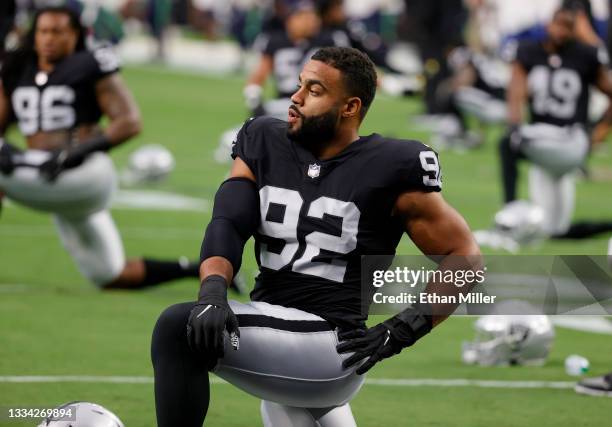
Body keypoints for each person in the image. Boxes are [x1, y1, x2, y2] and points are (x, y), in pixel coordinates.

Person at [152, 46, 482, 426]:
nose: (296, 97)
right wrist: (212, 289)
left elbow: (465, 258)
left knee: (176, 328)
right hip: (277, 333)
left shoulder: (392, 165)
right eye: (299, 84)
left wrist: (404, 328)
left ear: (350, 107)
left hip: (331, 344)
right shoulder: (263, 139)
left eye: (315, 90)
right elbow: (228, 221)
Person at [0, 6, 199, 290]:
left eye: (57, 32)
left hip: (84, 175)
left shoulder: (89, 64)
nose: (48, 39)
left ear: (75, 35)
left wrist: (75, 152)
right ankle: (200, 270)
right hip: (40, 175)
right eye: (43, 31)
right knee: (108, 274)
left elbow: (130, 121)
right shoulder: (18, 67)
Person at [499, 6, 612, 237]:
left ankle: (508, 214)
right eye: (558, 24)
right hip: (544, 139)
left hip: (571, 137)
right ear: (548, 24)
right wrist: (516, 123)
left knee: (507, 144)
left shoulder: (586, 54)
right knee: (553, 229)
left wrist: (601, 129)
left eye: (567, 27)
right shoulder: (528, 51)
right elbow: (515, 90)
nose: (561, 31)